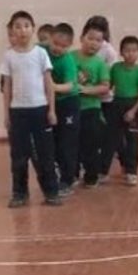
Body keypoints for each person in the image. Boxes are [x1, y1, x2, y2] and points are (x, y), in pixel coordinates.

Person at [1, 11, 61, 208]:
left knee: (45, 154)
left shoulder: (41, 54)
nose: (22, 30)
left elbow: (48, 84)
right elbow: (7, 86)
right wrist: (6, 114)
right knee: (18, 156)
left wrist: (51, 110)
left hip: (40, 109)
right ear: (12, 30)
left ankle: (51, 192)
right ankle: (20, 193)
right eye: (17, 26)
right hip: (18, 112)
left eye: (26, 25)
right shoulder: (9, 56)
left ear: (33, 29)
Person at [106, 36, 138, 186]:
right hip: (116, 104)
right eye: (127, 50)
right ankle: (106, 170)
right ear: (121, 52)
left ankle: (132, 172)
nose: (130, 54)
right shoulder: (115, 68)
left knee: (133, 140)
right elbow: (108, 85)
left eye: (134, 51)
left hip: (133, 105)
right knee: (113, 138)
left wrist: (133, 110)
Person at [74, 22, 111, 188]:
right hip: (71, 108)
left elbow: (105, 87)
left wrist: (86, 90)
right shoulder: (70, 57)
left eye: (98, 40)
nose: (94, 43)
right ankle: (72, 175)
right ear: (82, 38)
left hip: (91, 109)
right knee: (71, 143)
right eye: (90, 38)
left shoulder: (100, 64)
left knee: (91, 144)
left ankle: (91, 177)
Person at [48, 23, 80, 197]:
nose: (57, 48)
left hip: (68, 103)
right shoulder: (42, 51)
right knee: (52, 142)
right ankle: (56, 176)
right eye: (55, 43)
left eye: (63, 46)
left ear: (69, 46)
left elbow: (69, 85)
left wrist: (52, 87)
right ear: (49, 39)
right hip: (51, 103)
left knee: (66, 142)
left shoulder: (68, 61)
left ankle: (68, 180)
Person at [87, 15, 120, 182]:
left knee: (108, 136)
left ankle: (103, 169)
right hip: (89, 99)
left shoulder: (109, 51)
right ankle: (90, 167)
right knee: (92, 135)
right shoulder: (86, 47)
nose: (94, 41)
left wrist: (102, 88)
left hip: (105, 99)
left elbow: (111, 76)